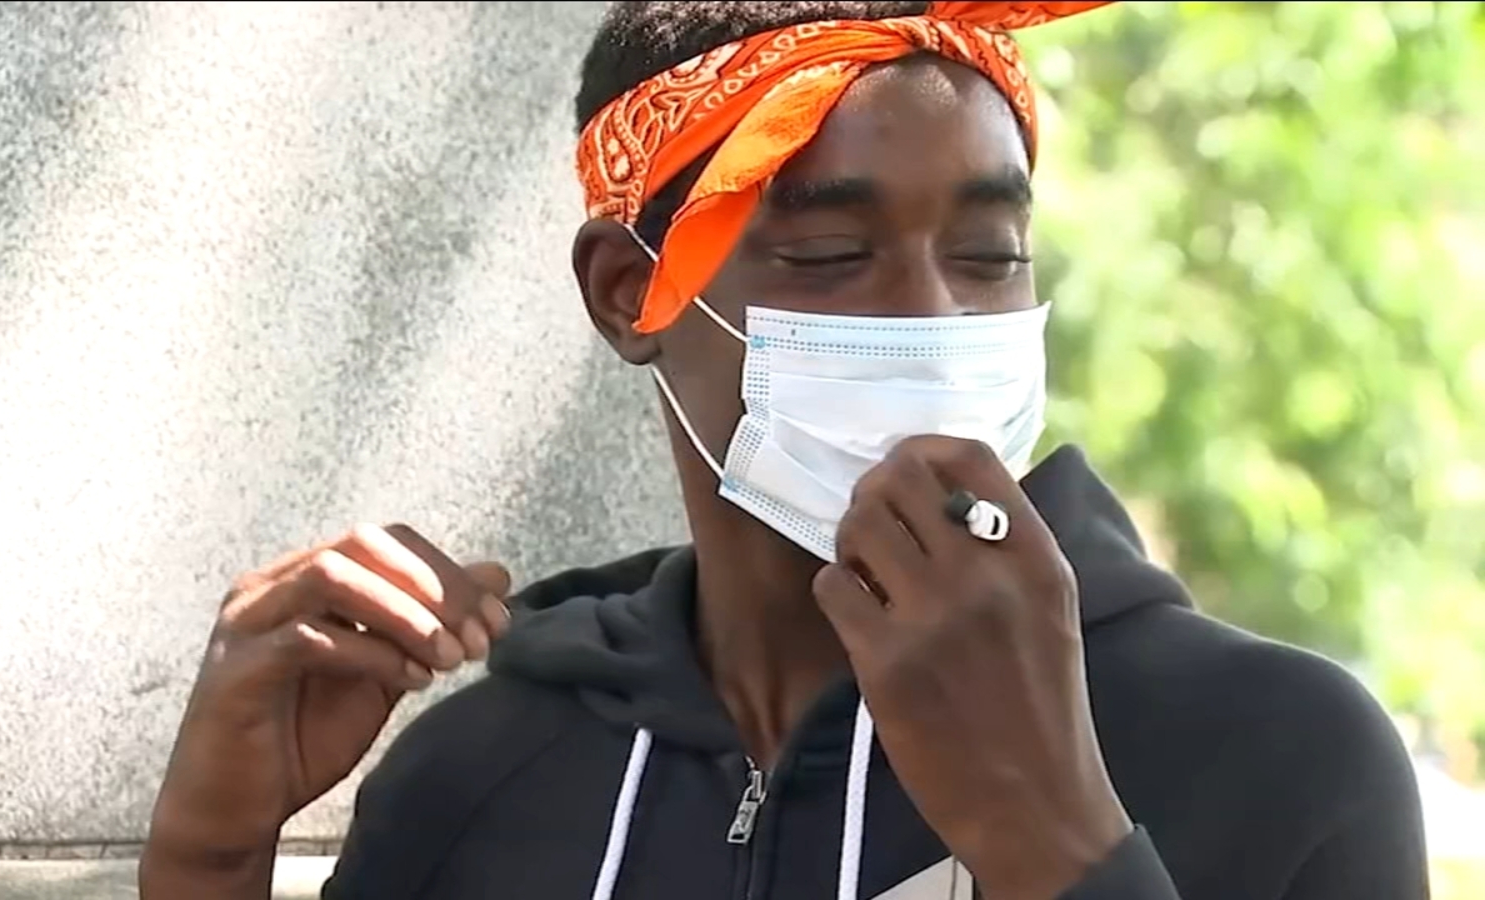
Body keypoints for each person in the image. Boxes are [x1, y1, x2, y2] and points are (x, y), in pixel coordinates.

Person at [139, 3, 1430, 899]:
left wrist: (1064, 850)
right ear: (628, 294)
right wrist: (207, 863)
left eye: (988, 255)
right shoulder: (469, 782)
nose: (934, 322)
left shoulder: (1282, 754)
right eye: (828, 256)